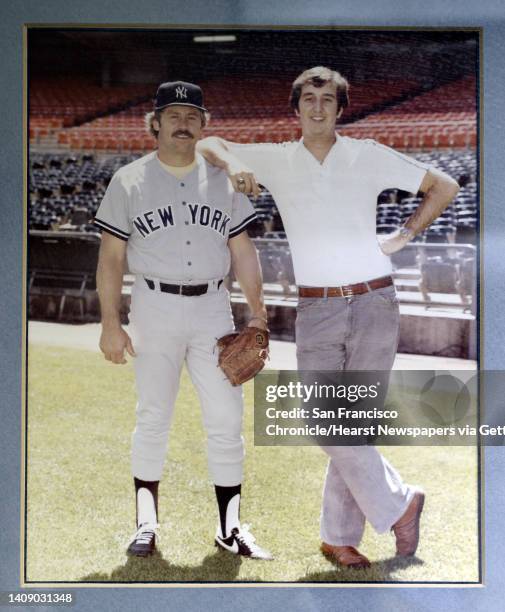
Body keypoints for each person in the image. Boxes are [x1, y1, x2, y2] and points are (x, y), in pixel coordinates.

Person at [198, 66, 459, 568]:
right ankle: (401, 503)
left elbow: (442, 185)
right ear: (295, 109)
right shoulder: (275, 159)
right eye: (309, 99)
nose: (318, 107)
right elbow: (210, 140)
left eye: (328, 100)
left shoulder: (367, 154)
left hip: (373, 300)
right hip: (316, 305)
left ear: (341, 109)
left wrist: (404, 236)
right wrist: (232, 163)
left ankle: (339, 538)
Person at [94, 80, 272, 560]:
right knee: (153, 416)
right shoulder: (128, 180)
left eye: (192, 116)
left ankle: (230, 529)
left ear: (203, 124)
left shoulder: (223, 181)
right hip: (153, 307)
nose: (182, 123)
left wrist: (256, 312)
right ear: (155, 122)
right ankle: (146, 525)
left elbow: (243, 249)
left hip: (214, 308)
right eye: (172, 115)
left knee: (226, 418)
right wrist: (110, 323)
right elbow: (111, 259)